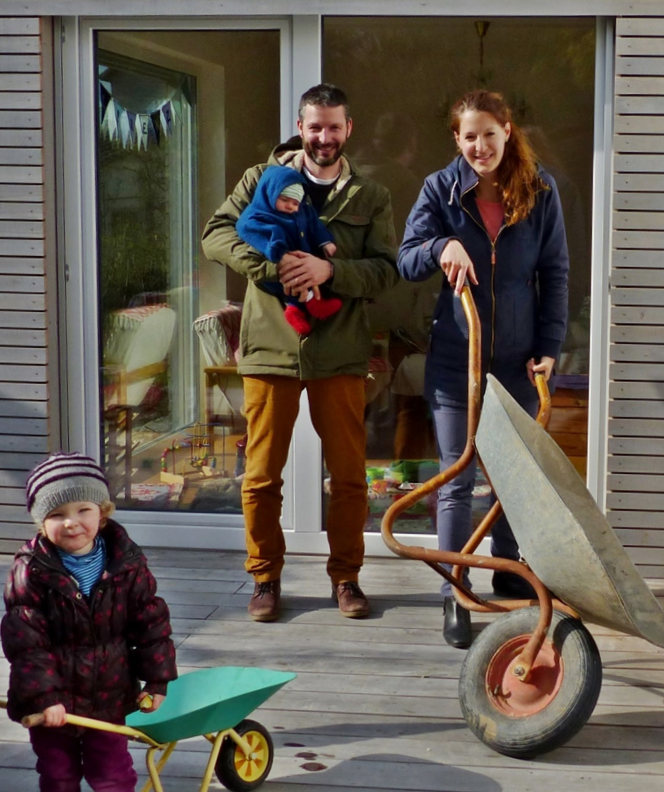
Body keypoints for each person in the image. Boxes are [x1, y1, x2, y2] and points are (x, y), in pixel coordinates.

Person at [202, 83, 399, 622]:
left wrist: (329, 270)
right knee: (262, 475)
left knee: (350, 476)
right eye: (316, 126)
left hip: (340, 351)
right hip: (270, 347)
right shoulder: (258, 179)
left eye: (335, 126)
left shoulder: (370, 195)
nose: (325, 137)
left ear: (348, 129)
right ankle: (264, 578)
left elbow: (387, 269)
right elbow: (215, 234)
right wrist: (275, 268)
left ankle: (347, 577)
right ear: (301, 125)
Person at [397, 90, 569, 649]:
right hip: (455, 361)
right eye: (468, 136)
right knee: (456, 479)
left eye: (489, 134)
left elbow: (556, 274)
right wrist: (442, 243)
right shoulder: (439, 190)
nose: (479, 146)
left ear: (508, 131)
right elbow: (406, 258)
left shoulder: (539, 191)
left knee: (511, 478)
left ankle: (506, 571)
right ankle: (454, 590)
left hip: (516, 364)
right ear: (457, 139)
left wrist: (548, 344)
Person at [2, 452, 178, 792]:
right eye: (57, 514)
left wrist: (157, 681)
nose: (71, 522)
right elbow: (26, 644)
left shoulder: (126, 563)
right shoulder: (31, 572)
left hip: (108, 695)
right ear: (41, 522)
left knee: (112, 775)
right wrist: (44, 697)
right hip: (53, 703)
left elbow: (150, 622)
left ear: (102, 512)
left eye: (83, 510)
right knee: (58, 775)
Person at [236, 164, 342, 335]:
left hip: (303, 258)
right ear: (271, 194)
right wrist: (279, 254)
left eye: (295, 203)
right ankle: (304, 306)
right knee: (293, 282)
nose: (291, 207)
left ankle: (298, 308)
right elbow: (248, 230)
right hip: (276, 263)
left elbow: (315, 226)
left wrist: (325, 242)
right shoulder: (257, 215)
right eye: (285, 201)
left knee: (305, 278)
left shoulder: (302, 211)